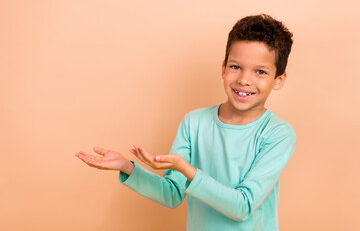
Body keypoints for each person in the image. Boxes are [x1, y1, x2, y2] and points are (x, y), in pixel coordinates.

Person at [76, 14, 296, 231]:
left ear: (279, 80)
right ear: (223, 68)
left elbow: (242, 207)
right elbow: (171, 194)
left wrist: (186, 169)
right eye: (236, 67)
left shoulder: (278, 134)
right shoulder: (194, 122)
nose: (244, 80)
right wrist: (128, 168)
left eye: (260, 71)